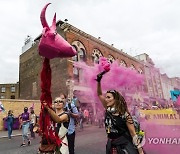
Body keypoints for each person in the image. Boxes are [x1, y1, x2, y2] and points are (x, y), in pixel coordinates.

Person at [96, 72, 144, 154]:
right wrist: (99, 81)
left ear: (115, 99)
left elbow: (133, 134)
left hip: (123, 146)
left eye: (109, 97)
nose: (106, 99)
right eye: (106, 97)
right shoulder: (108, 109)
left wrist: (140, 151)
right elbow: (99, 94)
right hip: (111, 144)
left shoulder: (125, 115)